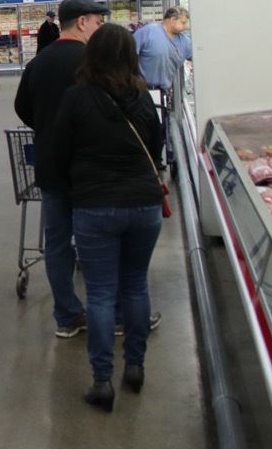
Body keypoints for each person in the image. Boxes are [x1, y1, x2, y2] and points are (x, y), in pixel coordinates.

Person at [51, 23, 165, 412]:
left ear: (91, 54)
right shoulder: (143, 97)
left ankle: (102, 382)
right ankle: (135, 366)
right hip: (144, 206)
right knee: (135, 286)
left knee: (99, 294)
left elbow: (59, 152)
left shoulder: (76, 98)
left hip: (95, 205)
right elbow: (156, 146)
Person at [13, 0, 107, 339]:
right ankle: (108, 314)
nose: (99, 29)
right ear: (82, 22)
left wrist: (47, 126)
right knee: (96, 239)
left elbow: (21, 106)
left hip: (50, 164)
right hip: (89, 166)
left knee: (56, 241)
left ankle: (66, 315)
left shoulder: (40, 61)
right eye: (97, 23)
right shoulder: (93, 61)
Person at [133, 6, 192, 167]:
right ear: (172, 20)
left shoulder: (184, 41)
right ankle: (143, 158)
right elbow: (129, 53)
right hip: (142, 90)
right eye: (183, 22)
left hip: (163, 91)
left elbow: (196, 56)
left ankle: (157, 158)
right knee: (143, 126)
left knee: (160, 126)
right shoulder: (148, 32)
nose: (185, 27)